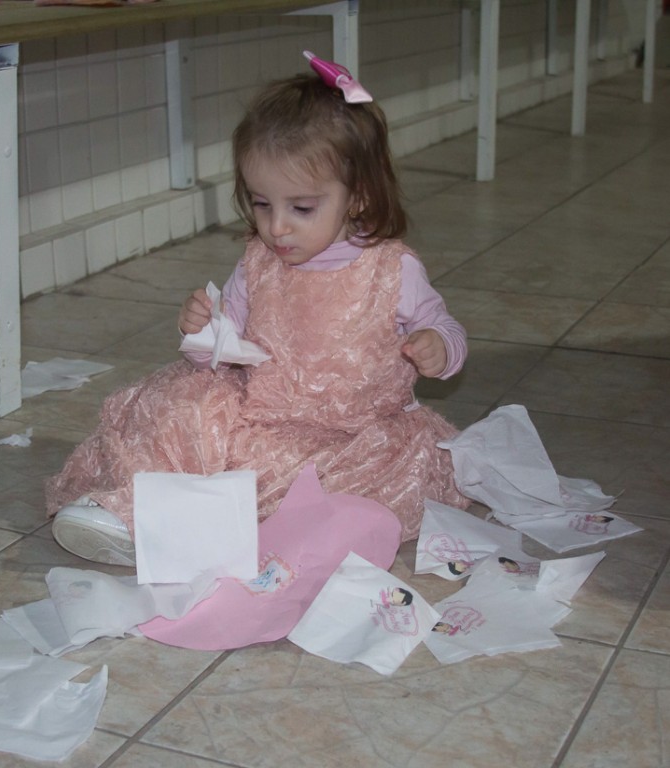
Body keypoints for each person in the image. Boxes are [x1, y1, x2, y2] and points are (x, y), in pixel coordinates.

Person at [45, 51, 468, 566]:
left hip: (351, 436)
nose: (276, 227)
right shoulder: (258, 264)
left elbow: (444, 327)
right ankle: (134, 513)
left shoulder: (390, 270)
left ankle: (189, 524)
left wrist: (439, 346)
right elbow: (221, 355)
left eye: (301, 208)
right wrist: (203, 332)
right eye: (262, 203)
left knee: (314, 483)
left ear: (357, 198)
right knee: (179, 411)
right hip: (259, 416)